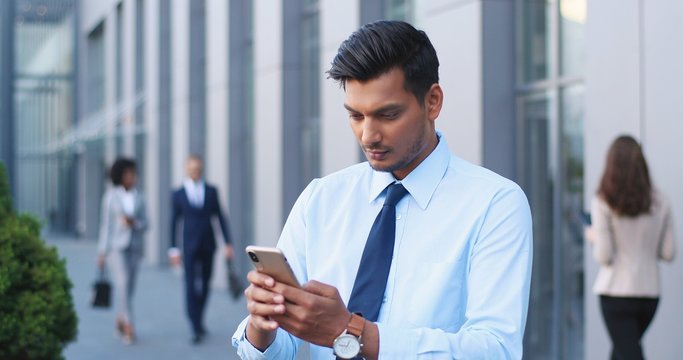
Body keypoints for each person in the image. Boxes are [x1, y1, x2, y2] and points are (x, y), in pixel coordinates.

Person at [232, 20, 533, 359]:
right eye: (355, 116)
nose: (367, 135)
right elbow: (280, 349)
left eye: (387, 115)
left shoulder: (494, 204)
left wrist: (351, 331)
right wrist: (262, 325)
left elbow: (495, 350)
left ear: (432, 102)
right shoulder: (320, 199)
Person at [587, 135, 675, 360]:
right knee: (623, 351)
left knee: (627, 353)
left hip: (615, 293)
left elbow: (604, 256)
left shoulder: (603, 201)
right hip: (649, 295)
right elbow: (668, 253)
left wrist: (594, 236)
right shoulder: (661, 201)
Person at [170, 155, 235, 344]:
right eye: (191, 169)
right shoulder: (178, 194)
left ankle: (199, 318)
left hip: (208, 244)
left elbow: (220, 217)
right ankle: (195, 325)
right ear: (186, 169)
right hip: (188, 247)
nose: (195, 172)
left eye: (197, 168)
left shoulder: (212, 191)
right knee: (190, 285)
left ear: (202, 169)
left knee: (205, 284)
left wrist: (228, 243)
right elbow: (174, 222)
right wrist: (173, 249)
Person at [97, 157, 148, 345]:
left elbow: (146, 224)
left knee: (129, 288)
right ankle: (129, 326)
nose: (131, 177)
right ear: (119, 176)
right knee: (123, 283)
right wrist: (102, 252)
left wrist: (134, 223)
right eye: (127, 174)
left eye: (133, 174)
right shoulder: (111, 196)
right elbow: (106, 226)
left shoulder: (140, 196)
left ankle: (120, 319)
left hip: (135, 247)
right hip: (116, 249)